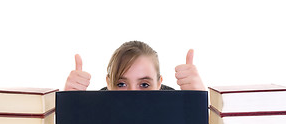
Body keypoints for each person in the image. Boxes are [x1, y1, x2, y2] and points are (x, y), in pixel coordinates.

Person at [64, 40, 205, 91]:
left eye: (144, 85)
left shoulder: (178, 116)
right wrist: (69, 106)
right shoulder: (93, 118)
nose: (133, 92)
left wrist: (198, 102)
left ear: (159, 84)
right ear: (108, 84)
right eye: (121, 84)